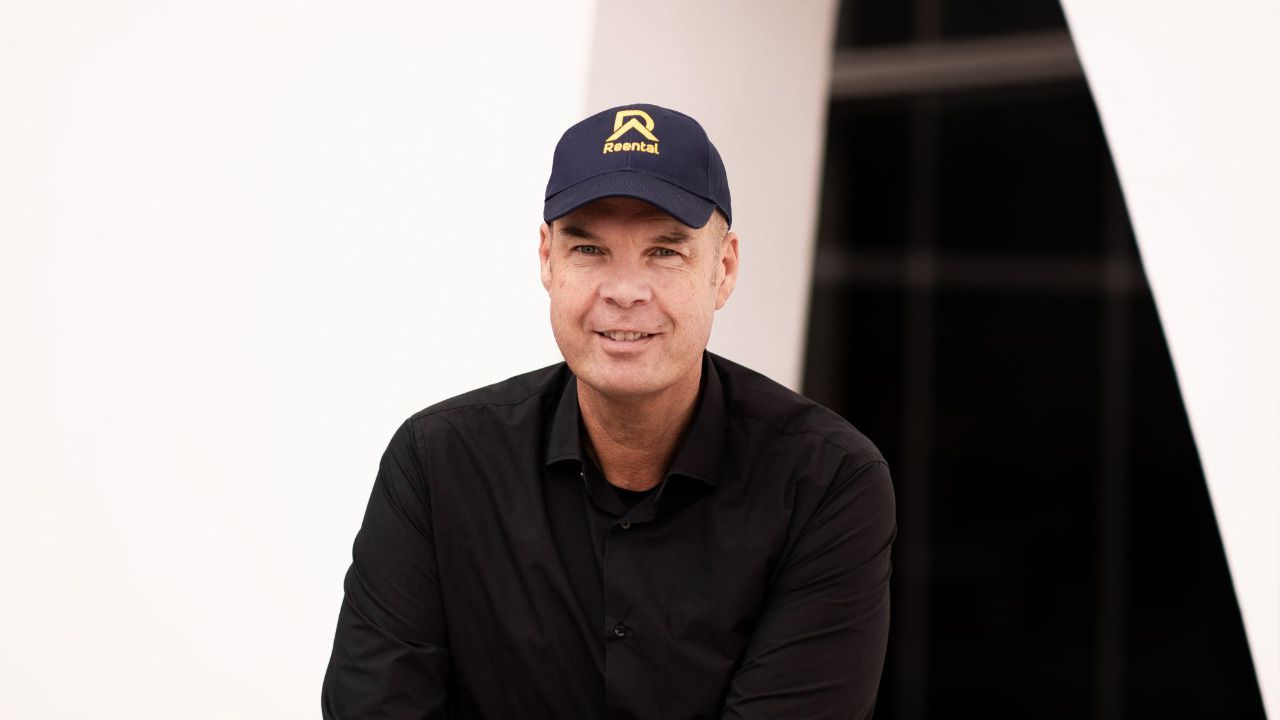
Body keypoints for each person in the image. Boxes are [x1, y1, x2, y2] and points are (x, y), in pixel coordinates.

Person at [321, 103, 895, 719]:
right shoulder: (436, 465)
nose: (624, 291)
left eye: (665, 252)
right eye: (590, 248)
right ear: (547, 259)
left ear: (722, 269)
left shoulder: (826, 483)